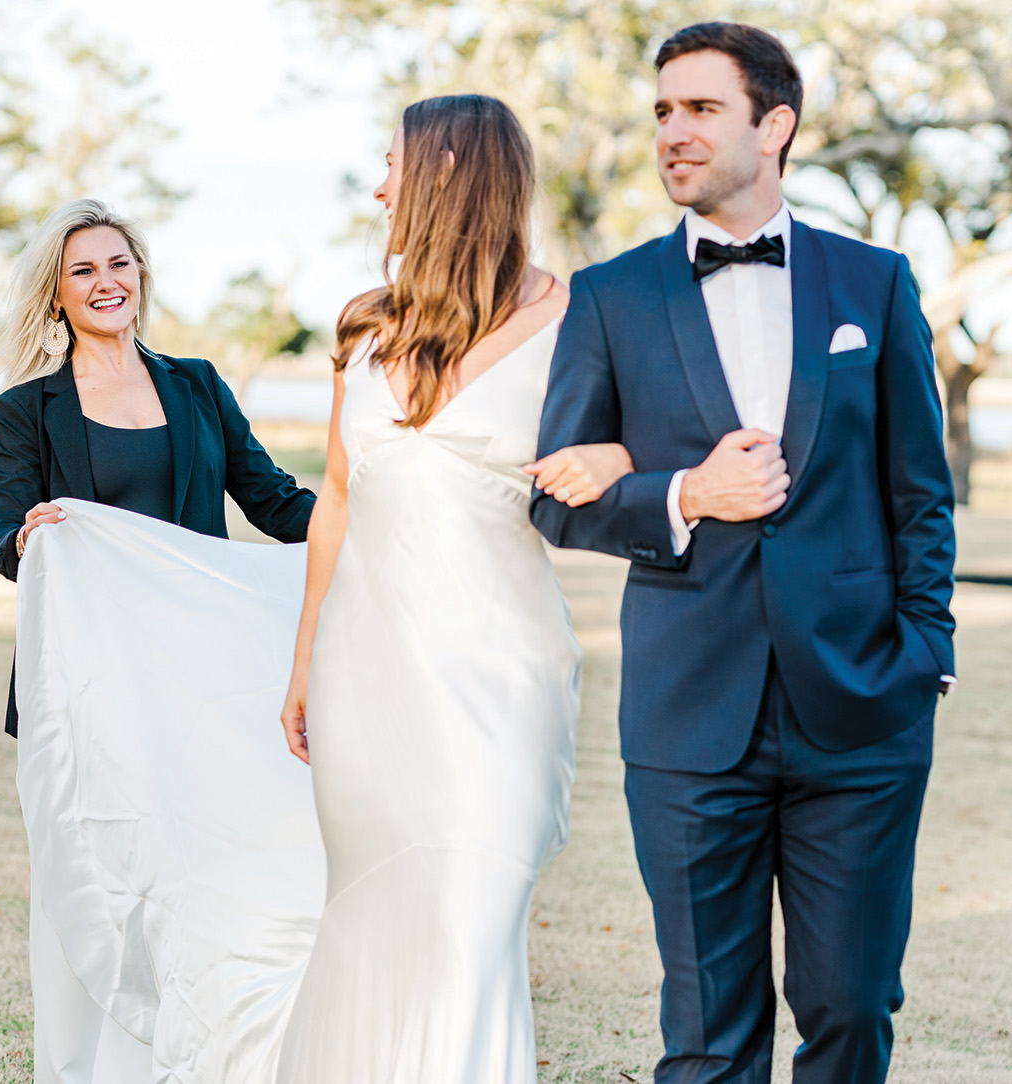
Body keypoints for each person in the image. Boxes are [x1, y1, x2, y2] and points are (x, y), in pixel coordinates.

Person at [529, 22, 955, 1084]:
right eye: (662, 111)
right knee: (708, 1035)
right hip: (686, 716)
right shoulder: (610, 296)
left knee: (851, 1010)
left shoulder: (877, 285)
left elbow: (920, 494)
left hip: (861, 711)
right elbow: (557, 498)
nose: (672, 132)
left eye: (700, 109)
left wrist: (925, 652)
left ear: (774, 126)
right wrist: (684, 493)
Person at [273, 94, 623, 1082]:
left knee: (469, 923)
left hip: (497, 675)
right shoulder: (362, 324)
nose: (377, 186)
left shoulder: (579, 317)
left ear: (447, 174)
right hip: (364, 674)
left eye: (391, 164)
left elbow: (643, 452)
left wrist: (614, 452)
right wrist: (303, 657)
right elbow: (338, 496)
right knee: (374, 919)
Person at [0, 198, 318, 1084]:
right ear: (57, 294)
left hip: (200, 683)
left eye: (118, 264)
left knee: (196, 873)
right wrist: (31, 537)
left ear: (141, 278)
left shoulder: (197, 385)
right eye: (83, 270)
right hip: (89, 691)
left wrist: (368, 531)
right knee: (95, 874)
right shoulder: (27, 409)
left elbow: (272, 499)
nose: (105, 283)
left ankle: (192, 1055)